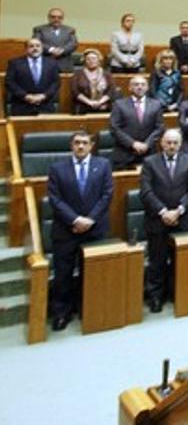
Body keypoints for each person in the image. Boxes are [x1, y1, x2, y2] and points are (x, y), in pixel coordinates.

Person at [46, 131, 114, 330]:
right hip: (66, 230)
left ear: (92, 145)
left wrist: (90, 219)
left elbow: (107, 194)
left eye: (85, 143)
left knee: (94, 272)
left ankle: (91, 310)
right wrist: (75, 219)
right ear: (71, 146)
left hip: (95, 229)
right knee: (63, 275)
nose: (81, 147)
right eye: (77, 143)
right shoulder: (57, 168)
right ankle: (62, 313)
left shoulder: (103, 165)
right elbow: (55, 199)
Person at [141, 130, 188, 311]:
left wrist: (178, 211)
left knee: (179, 260)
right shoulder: (150, 162)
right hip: (157, 220)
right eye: (168, 142)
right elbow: (146, 192)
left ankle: (176, 294)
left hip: (181, 219)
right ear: (162, 143)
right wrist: (164, 212)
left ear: (180, 144)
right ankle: (156, 297)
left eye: (175, 142)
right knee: (157, 261)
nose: (171, 146)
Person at [109, 76, 165, 170]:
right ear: (130, 87)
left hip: (149, 153)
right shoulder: (119, 104)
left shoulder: (156, 104)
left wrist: (147, 144)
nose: (140, 87)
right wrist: (133, 143)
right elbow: (114, 128)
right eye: (136, 84)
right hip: (124, 154)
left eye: (143, 85)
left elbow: (159, 127)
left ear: (147, 88)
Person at [6, 38, 60, 116]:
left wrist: (44, 96)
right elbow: (10, 82)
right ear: (26, 49)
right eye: (31, 46)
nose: (35, 48)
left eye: (38, 46)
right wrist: (26, 96)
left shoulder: (52, 63)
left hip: (45, 105)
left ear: (42, 48)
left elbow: (56, 82)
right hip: (22, 105)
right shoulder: (15, 63)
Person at [33, 7, 77, 74]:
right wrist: (51, 50)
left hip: (64, 65)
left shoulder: (69, 30)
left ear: (62, 18)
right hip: (45, 63)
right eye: (53, 17)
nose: (56, 19)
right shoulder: (39, 29)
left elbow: (73, 44)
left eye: (59, 17)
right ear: (48, 18)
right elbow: (36, 43)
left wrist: (62, 50)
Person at [70, 48, 112, 114]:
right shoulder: (78, 74)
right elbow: (75, 92)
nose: (91, 61)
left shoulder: (106, 74)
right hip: (83, 106)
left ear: (99, 60)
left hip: (103, 106)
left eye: (94, 58)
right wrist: (89, 102)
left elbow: (111, 91)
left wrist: (100, 102)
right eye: (88, 59)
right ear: (84, 61)